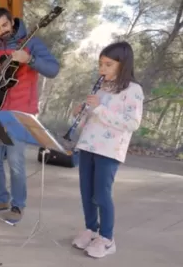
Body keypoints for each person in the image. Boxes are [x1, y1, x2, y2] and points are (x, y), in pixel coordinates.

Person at [0, 7, 59, 223]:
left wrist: (30, 60)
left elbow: (53, 69)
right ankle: (1, 199)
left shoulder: (32, 43)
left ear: (12, 22)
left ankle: (18, 206)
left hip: (19, 114)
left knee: (16, 162)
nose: (2, 31)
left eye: (4, 25)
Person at [70, 41, 143, 258]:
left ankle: (107, 238)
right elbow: (93, 117)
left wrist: (99, 109)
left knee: (102, 194)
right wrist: (81, 112)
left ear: (123, 65)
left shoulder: (133, 90)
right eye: (101, 64)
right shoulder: (102, 87)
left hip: (109, 150)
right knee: (86, 192)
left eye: (108, 65)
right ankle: (91, 230)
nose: (102, 69)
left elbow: (132, 123)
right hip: (87, 145)